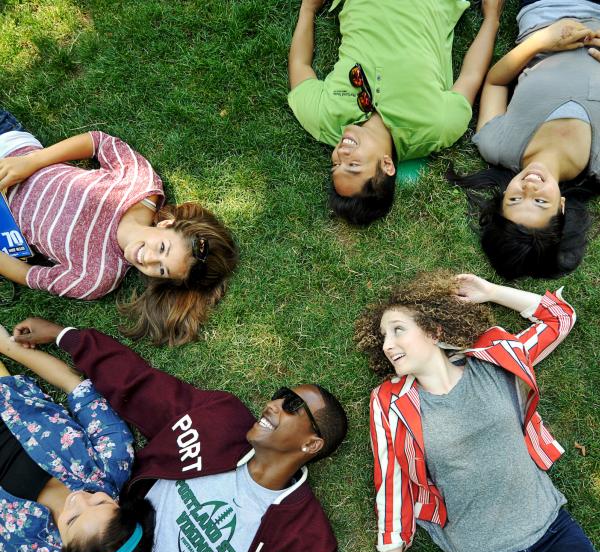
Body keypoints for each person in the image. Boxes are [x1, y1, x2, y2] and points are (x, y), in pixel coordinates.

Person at [9, 317, 349, 552]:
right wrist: (65, 336)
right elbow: (142, 385)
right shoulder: (219, 423)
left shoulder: (304, 539)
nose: (273, 405)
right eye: (280, 395)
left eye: (292, 407)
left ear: (311, 445)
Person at [355, 271, 600, 552]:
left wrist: (491, 292)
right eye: (384, 336)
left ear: (433, 330)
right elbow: (391, 487)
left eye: (398, 330)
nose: (387, 344)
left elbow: (559, 317)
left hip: (552, 537)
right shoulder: (390, 404)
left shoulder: (493, 359)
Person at [0, 109, 238, 345]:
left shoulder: (96, 279)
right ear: (167, 224)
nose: (149, 259)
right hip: (10, 146)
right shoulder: (141, 185)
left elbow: (28, 275)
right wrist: (30, 162)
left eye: (161, 270)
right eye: (163, 248)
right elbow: (97, 141)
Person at [288, 0, 505, 225]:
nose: (340, 155)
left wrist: (308, 9)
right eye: (352, 165)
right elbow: (471, 75)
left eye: (335, 165)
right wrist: (491, 19)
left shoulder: (323, 118)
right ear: (387, 165)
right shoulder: (436, 126)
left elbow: (299, 65)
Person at [0, 324, 154, 552]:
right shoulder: (113, 462)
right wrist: (8, 347)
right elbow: (77, 387)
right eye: (100, 501)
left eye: (72, 520)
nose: (80, 498)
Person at [451, 0, 600, 278]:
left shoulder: (498, 144)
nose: (529, 188)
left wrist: (542, 41)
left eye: (516, 200)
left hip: (545, 11)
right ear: (562, 207)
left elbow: (495, 82)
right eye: (541, 202)